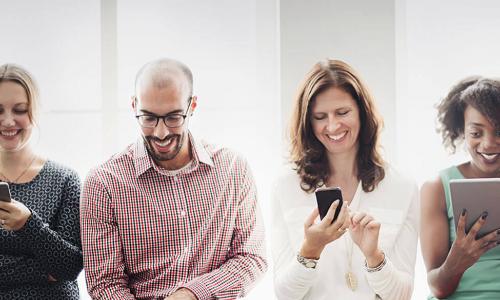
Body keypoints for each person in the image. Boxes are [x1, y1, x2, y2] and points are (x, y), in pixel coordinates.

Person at [80, 58, 267, 299]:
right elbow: (105, 284)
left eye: (173, 117)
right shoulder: (103, 183)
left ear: (192, 106)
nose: (161, 132)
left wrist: (192, 294)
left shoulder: (232, 168)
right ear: (134, 105)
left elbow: (251, 257)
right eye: (148, 118)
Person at [272, 59, 419, 300]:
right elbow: (284, 294)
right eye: (320, 116)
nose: (332, 126)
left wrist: (374, 256)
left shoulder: (402, 187)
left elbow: (402, 295)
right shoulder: (286, 185)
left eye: (342, 112)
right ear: (308, 122)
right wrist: (311, 249)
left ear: (362, 111)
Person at [0, 64, 83, 299]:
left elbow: (70, 266)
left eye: (19, 110)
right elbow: (57, 269)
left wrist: (28, 224)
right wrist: (43, 271)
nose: (8, 121)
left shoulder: (65, 180)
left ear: (34, 111)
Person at [420, 77, 500, 299]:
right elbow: (438, 288)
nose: (488, 144)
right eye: (476, 133)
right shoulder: (436, 188)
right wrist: (457, 261)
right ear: (462, 132)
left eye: (499, 132)